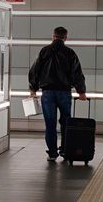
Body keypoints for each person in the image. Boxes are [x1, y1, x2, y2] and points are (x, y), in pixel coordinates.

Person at [28, 26, 88, 162]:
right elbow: (77, 73)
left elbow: (35, 70)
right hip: (64, 92)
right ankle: (66, 151)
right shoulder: (70, 53)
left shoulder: (44, 51)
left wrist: (33, 88)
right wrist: (81, 92)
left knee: (50, 124)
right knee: (66, 122)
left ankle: (52, 153)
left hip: (48, 93)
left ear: (53, 36)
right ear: (65, 37)